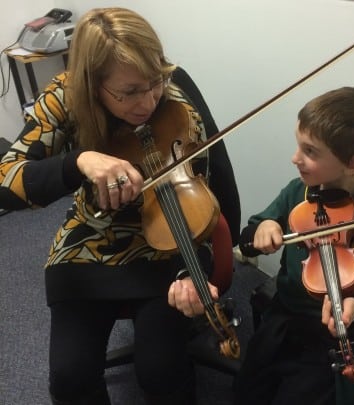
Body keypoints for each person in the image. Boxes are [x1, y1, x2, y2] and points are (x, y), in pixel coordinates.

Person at [0, 7, 240, 405]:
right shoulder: (64, 95)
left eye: (154, 83)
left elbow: (215, 180)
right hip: (89, 241)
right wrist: (77, 162)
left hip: (170, 241)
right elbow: (6, 178)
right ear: (93, 85)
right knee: (70, 377)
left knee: (162, 370)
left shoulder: (175, 89)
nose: (147, 101)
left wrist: (207, 261)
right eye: (128, 92)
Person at [234, 87, 354, 405]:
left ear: (352, 164)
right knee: (249, 388)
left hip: (331, 333)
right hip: (284, 315)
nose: (295, 158)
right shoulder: (298, 192)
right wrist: (264, 228)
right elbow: (249, 237)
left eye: (310, 152)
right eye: (299, 146)